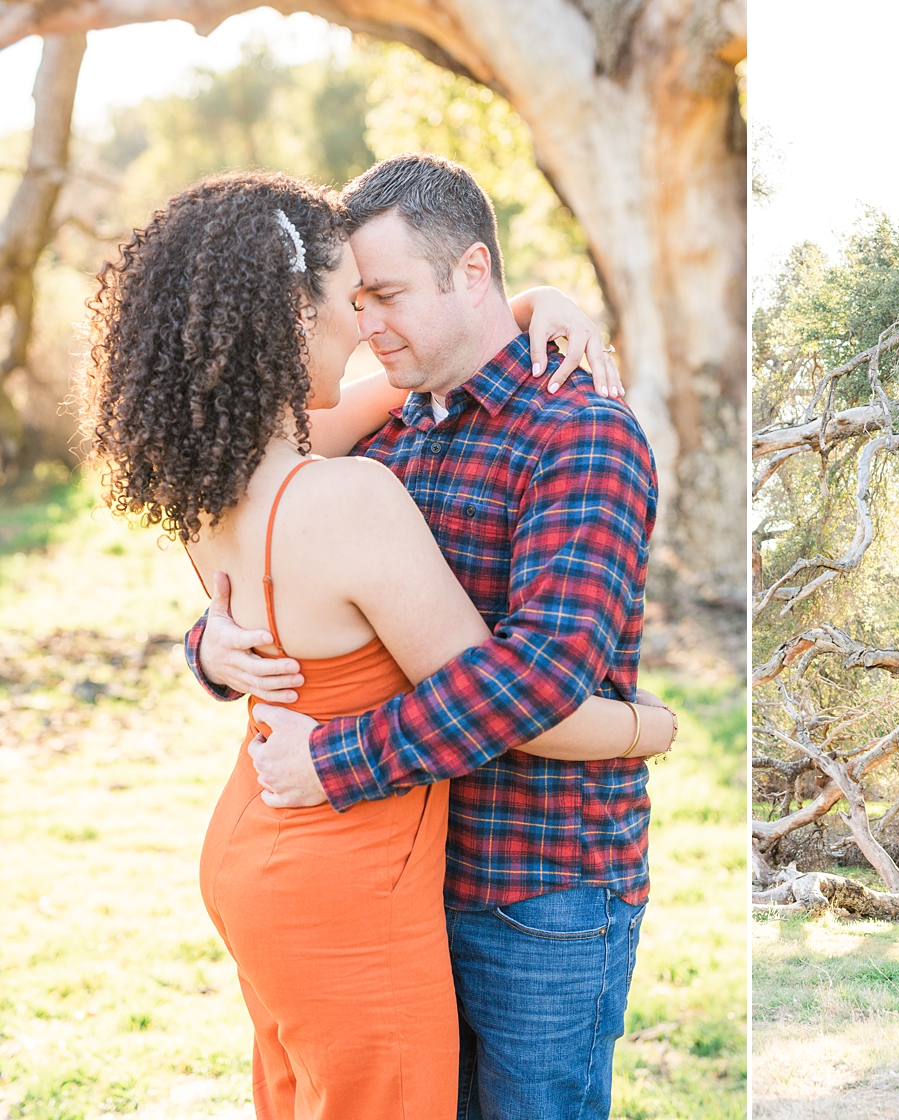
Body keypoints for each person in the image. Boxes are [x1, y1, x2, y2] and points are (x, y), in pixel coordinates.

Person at [85, 170, 673, 1119]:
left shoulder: (580, 434)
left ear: (470, 271)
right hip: (386, 876)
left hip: (532, 889)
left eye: (387, 294)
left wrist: (338, 762)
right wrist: (208, 646)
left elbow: (539, 680)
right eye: (351, 299)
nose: (365, 324)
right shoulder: (379, 432)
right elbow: (282, 578)